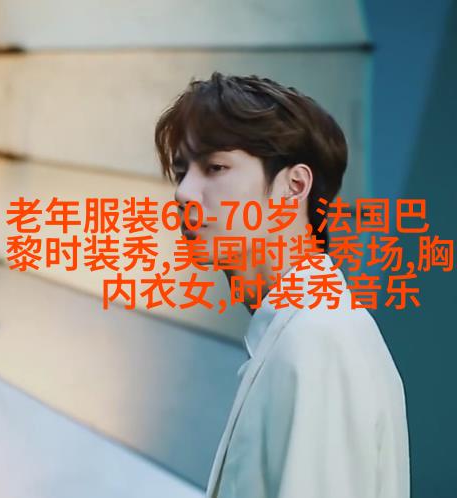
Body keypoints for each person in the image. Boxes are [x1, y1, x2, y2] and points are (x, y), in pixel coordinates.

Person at [154, 72, 409, 498]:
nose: (183, 193)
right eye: (181, 172)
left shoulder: (317, 339)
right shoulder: (301, 332)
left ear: (295, 186)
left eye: (214, 167)